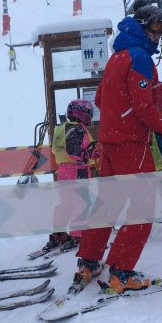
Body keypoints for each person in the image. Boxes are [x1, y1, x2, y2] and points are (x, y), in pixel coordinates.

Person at [72, 5, 162, 295]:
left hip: (110, 143)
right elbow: (142, 105)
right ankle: (121, 272)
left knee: (108, 203)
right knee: (142, 208)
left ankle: (89, 260)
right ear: (144, 27)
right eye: (157, 29)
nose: (159, 37)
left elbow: (100, 97)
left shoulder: (117, 58)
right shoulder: (139, 57)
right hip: (131, 145)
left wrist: (143, 99)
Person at [48, 99, 99, 252]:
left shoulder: (60, 128)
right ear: (83, 114)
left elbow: (59, 150)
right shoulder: (78, 129)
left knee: (65, 203)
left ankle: (58, 232)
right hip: (78, 170)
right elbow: (74, 150)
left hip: (63, 170)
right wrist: (88, 154)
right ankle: (78, 234)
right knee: (81, 202)